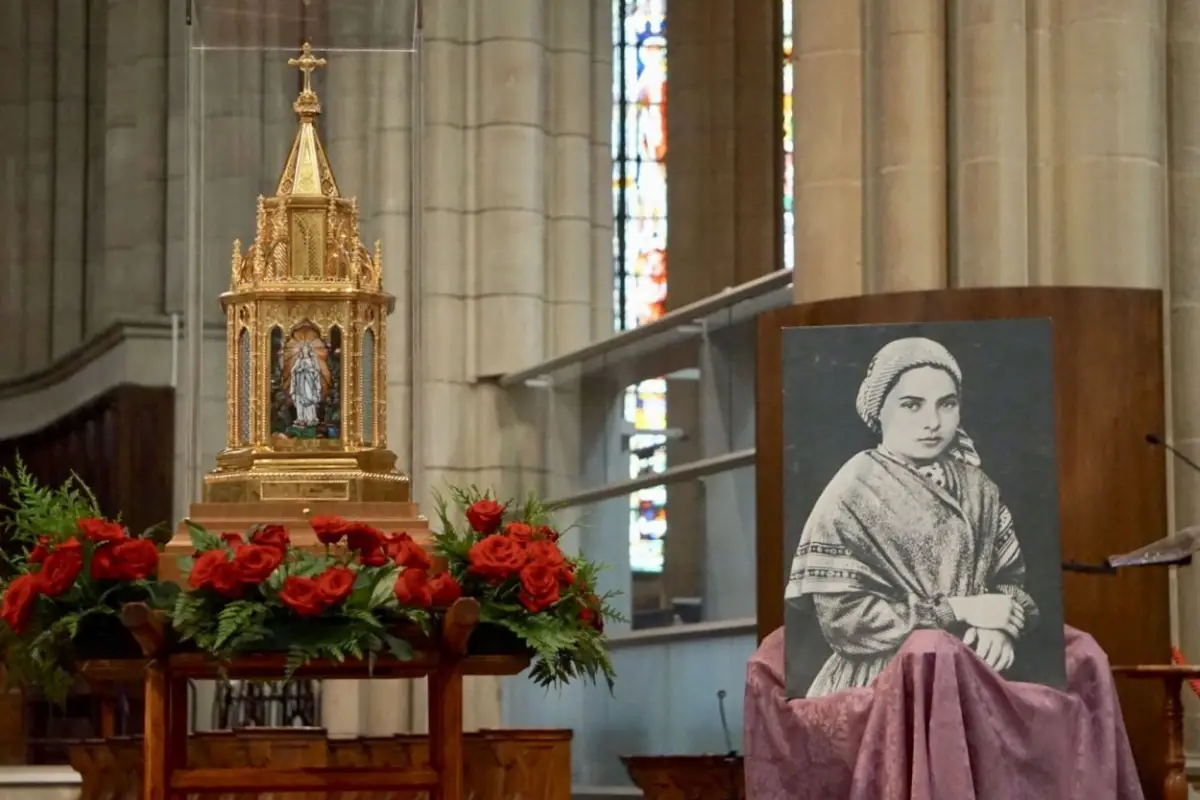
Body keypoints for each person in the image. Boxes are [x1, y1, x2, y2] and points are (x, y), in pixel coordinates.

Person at [784, 337, 1039, 697]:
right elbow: (846, 621)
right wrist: (959, 610)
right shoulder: (854, 488)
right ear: (879, 410)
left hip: (975, 667)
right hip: (885, 682)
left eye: (946, 404)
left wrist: (1001, 627)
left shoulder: (979, 486)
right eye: (912, 405)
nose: (932, 422)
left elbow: (1010, 581)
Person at [289, 341, 323, 427]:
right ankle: (301, 418)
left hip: (309, 384)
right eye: (303, 349)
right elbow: (293, 371)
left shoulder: (313, 360)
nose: (305, 351)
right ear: (301, 350)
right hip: (300, 383)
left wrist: (309, 370)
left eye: (306, 349)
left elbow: (317, 370)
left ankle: (310, 418)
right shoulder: (299, 360)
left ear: (309, 350)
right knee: (300, 400)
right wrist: (300, 369)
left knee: (309, 399)